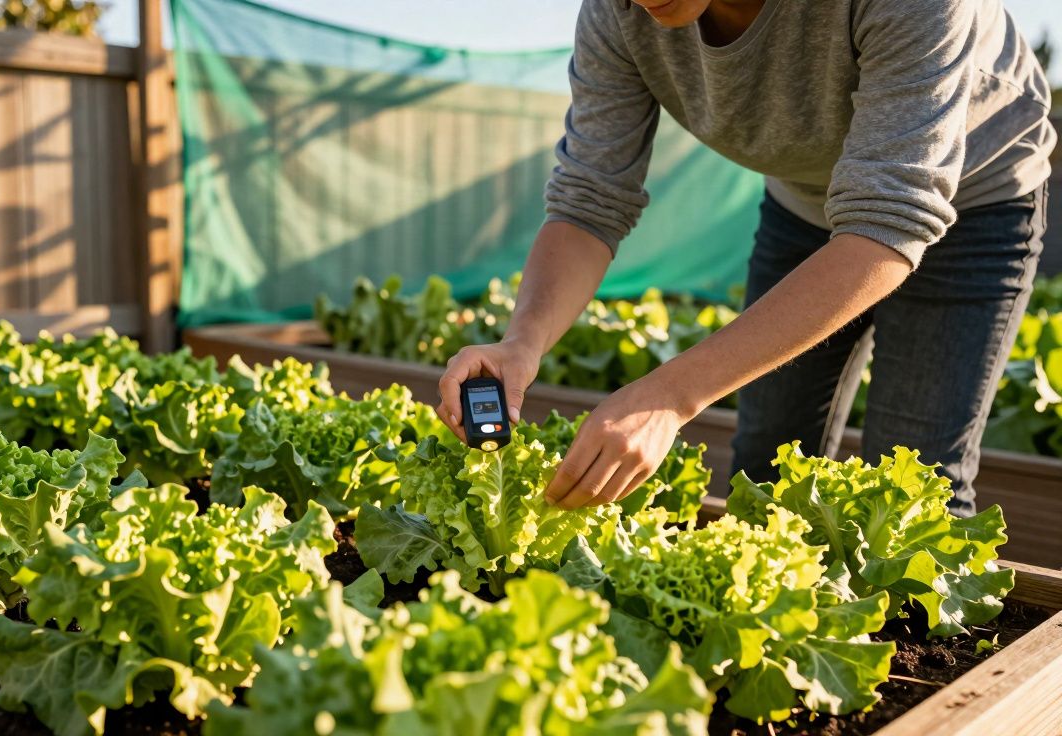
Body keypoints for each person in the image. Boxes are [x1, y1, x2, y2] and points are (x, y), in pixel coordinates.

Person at [437, 0, 1054, 516]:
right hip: (806, 201)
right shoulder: (617, 12)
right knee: (766, 466)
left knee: (914, 490)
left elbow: (887, 221)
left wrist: (668, 396)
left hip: (977, 196)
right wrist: (523, 341)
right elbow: (589, 200)